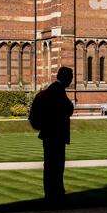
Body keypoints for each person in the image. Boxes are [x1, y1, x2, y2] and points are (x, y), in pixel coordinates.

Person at [39, 66, 74, 205]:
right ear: (65, 77)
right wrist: (70, 105)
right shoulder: (58, 91)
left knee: (50, 166)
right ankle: (56, 195)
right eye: (70, 78)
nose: (71, 81)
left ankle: (52, 194)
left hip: (49, 134)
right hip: (55, 135)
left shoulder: (53, 89)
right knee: (56, 166)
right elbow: (67, 109)